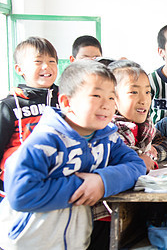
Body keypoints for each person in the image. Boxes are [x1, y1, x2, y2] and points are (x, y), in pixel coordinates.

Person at [0, 60, 146, 250]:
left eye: (111, 97)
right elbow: (21, 193)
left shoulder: (106, 138)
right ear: (67, 102)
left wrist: (102, 182)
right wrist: (82, 187)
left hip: (74, 242)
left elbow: (136, 165)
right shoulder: (45, 141)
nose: (106, 105)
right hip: (28, 242)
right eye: (96, 95)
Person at [0, 37, 59, 201]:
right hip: (16, 188)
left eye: (51, 61)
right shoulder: (10, 105)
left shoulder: (67, 100)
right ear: (19, 69)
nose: (46, 66)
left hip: (57, 185)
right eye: (38, 61)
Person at [109, 59, 167, 172]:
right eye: (134, 92)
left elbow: (164, 142)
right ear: (112, 98)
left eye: (147, 92)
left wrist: (154, 151)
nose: (144, 100)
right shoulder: (109, 130)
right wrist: (140, 158)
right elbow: (119, 156)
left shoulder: (146, 125)